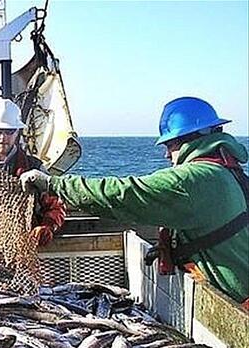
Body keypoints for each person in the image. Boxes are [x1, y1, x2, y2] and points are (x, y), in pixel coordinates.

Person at [19, 96, 249, 304]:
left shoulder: (195, 179)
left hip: (240, 309)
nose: (166, 154)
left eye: (169, 145)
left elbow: (123, 193)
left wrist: (53, 184)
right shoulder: (225, 172)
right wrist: (175, 247)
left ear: (189, 139)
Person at [0, 98, 66, 246]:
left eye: (9, 131)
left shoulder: (34, 168)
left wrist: (47, 226)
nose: (3, 137)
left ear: (17, 132)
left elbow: (56, 206)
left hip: (23, 244)